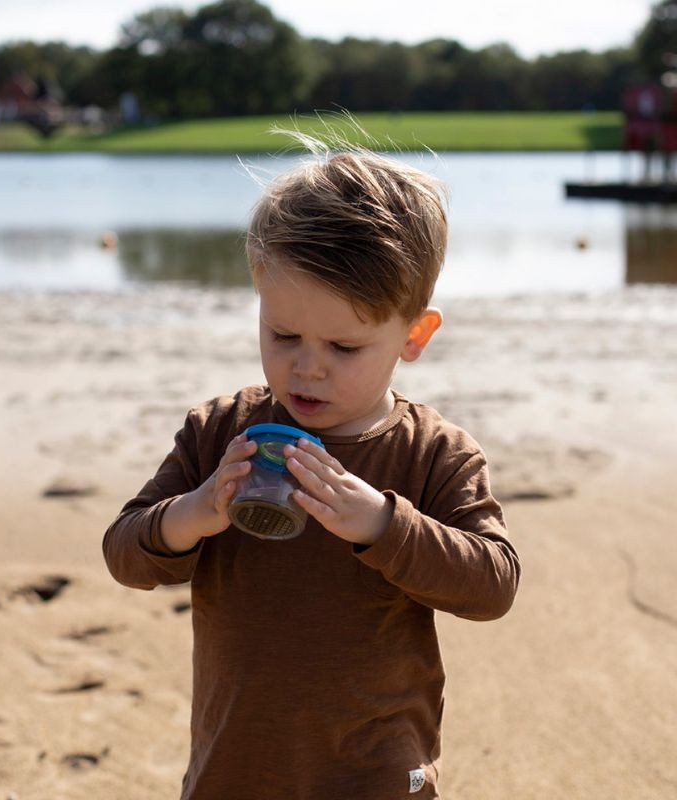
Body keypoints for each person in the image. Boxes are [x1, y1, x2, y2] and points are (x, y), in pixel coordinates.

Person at [102, 141, 521, 799]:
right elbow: (125, 554)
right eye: (283, 335)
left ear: (414, 336)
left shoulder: (434, 454)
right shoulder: (220, 432)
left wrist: (385, 524)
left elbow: (493, 585)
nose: (308, 367)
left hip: (383, 775)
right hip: (235, 766)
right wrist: (196, 511)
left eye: (344, 346)